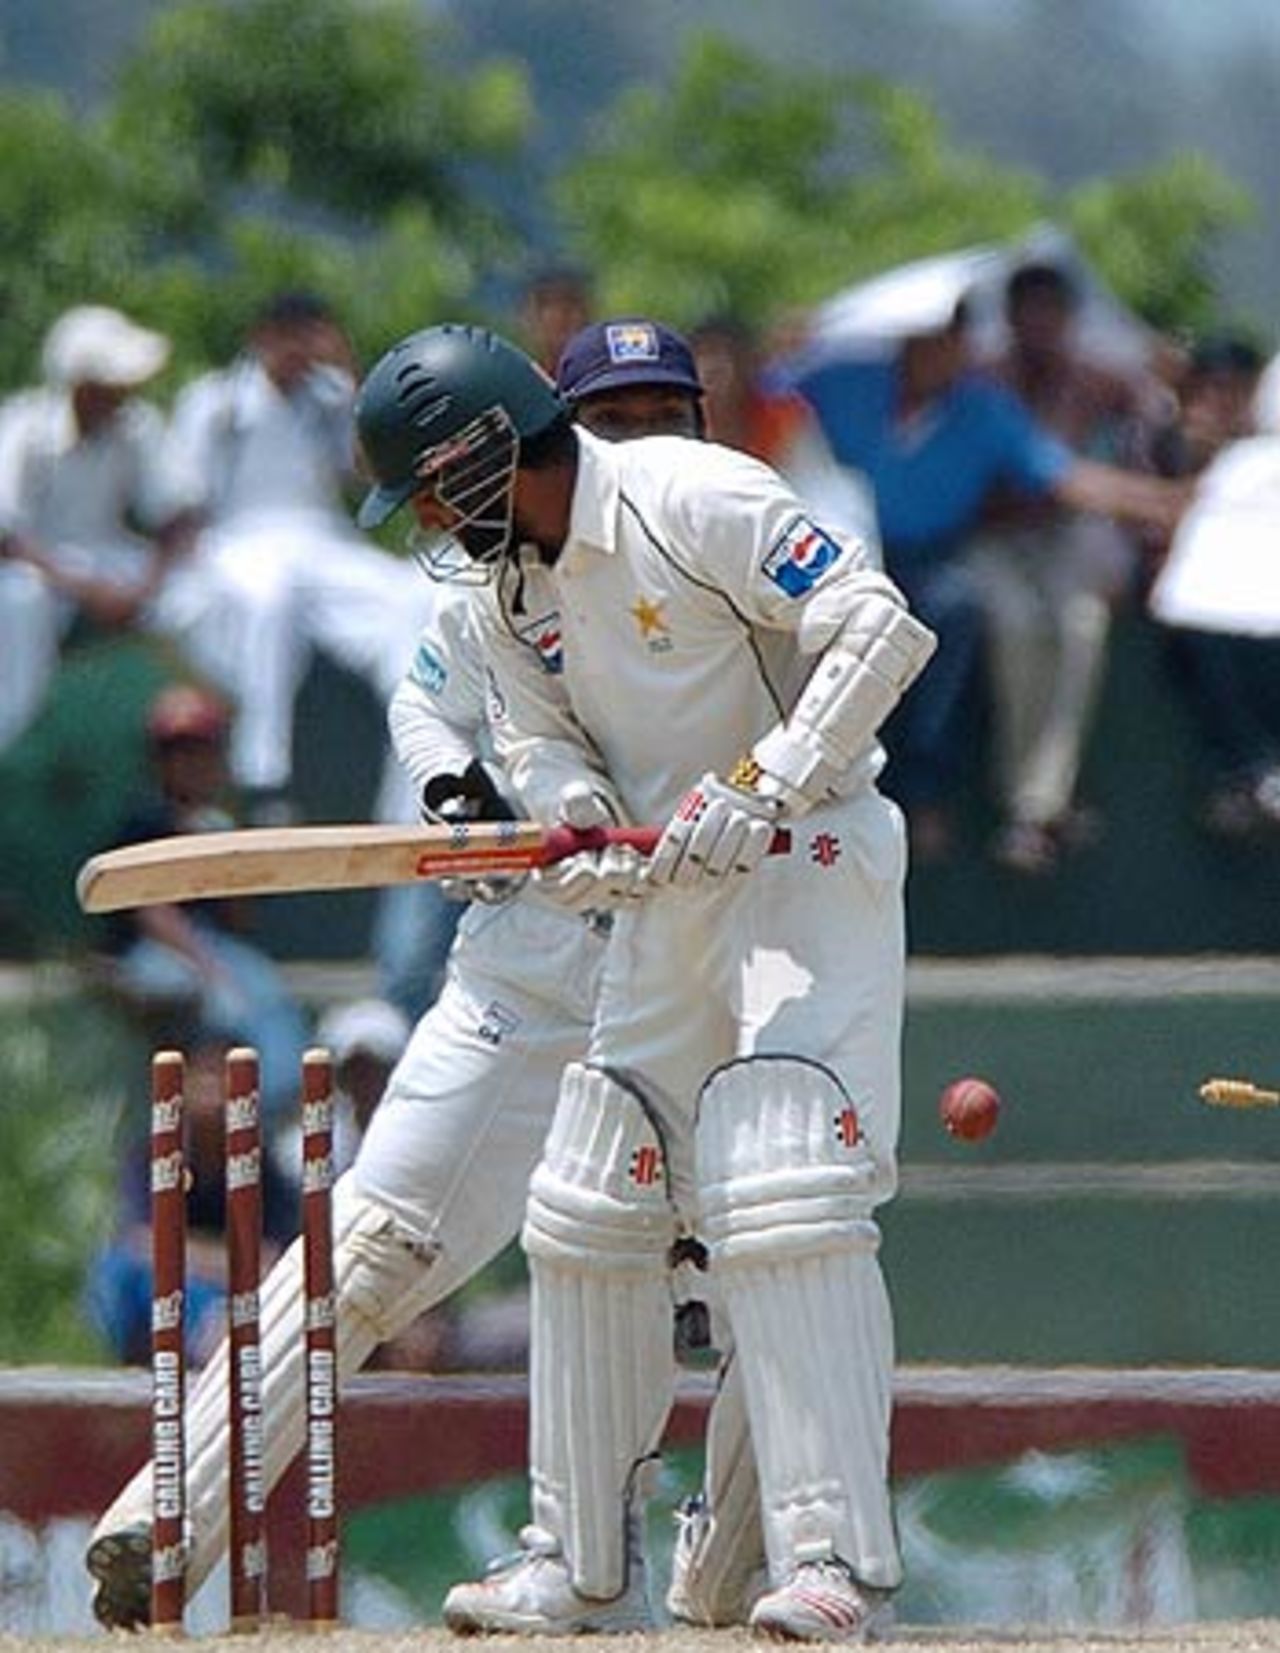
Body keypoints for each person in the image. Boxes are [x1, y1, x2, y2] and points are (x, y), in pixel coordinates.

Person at [83, 319, 730, 1633]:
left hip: (696, 966)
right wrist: (455, 785)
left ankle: (731, 1560)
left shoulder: (716, 560)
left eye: (664, 418)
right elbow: (428, 702)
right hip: (525, 959)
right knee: (371, 1234)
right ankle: (178, 1504)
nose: (637, 447)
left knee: (741, 1263)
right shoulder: (478, 587)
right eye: (616, 421)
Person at [353, 321, 937, 1641]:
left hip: (808, 856)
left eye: (438, 488)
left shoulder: (695, 492)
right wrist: (578, 839)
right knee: (590, 1198)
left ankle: (830, 1564)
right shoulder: (507, 598)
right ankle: (579, 1564)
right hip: (667, 884)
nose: (435, 519)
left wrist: (766, 778)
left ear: (493, 448)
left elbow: (879, 632)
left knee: (781, 1185)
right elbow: (539, 742)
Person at [790, 290, 1187, 861]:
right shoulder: (843, 379)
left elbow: (1063, 476)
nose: (938, 350)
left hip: (930, 557)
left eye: (951, 337)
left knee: (955, 609)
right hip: (837, 555)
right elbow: (763, 392)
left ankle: (924, 792)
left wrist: (1171, 503)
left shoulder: (982, 407)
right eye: (927, 335)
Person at [961, 259, 1168, 874]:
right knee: (1018, 627)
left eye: (1052, 310)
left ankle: (1038, 807)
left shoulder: (1096, 380)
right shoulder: (983, 380)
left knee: (1080, 626)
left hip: (1068, 539)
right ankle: (1027, 801)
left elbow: (1149, 418)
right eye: (1031, 309)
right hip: (992, 537)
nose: (1041, 323)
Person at [90, 683, 311, 1122]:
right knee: (214, 1000)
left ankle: (262, 1122)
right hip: (152, 952)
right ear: (159, 760)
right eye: (177, 751)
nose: (189, 762)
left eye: (199, 750)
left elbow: (239, 919)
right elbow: (149, 910)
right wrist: (210, 968)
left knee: (269, 999)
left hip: (218, 947)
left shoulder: (219, 819)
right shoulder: (145, 817)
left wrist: (232, 857)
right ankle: (202, 1118)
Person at [0, 304, 195, 755]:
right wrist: (91, 593)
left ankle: (207, 722)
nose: (120, 394)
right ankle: (15, 732)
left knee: (197, 590)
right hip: (37, 564)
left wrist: (147, 586)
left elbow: (177, 515)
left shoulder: (135, 425)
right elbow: (8, 535)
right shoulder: (24, 425)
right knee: (20, 599)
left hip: (108, 555)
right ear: (79, 384)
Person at [84, 1031, 298, 1368]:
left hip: (229, 1300)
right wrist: (222, 1261)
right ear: (182, 1084)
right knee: (119, 1271)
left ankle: (208, 1349)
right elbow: (141, 1242)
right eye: (206, 1074)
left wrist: (191, 1256)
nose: (214, 1090)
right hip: (175, 1288)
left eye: (225, 1076)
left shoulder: (264, 1168)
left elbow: (275, 1263)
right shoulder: (151, 1155)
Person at [1146, 340, 1280, 838]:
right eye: (1211, 389)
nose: (1220, 402)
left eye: (1233, 391)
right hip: (1192, 612)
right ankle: (1243, 773)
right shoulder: (1163, 441)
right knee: (1205, 647)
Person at [689, 312, 881, 556]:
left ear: (751, 364)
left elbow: (819, 497)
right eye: (703, 356)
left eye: (725, 355)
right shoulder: (676, 421)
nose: (715, 368)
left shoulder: (784, 419)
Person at [517, 263, 594, 375]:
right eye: (547, 304)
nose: (561, 315)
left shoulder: (601, 379)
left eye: (571, 300)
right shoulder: (518, 379)